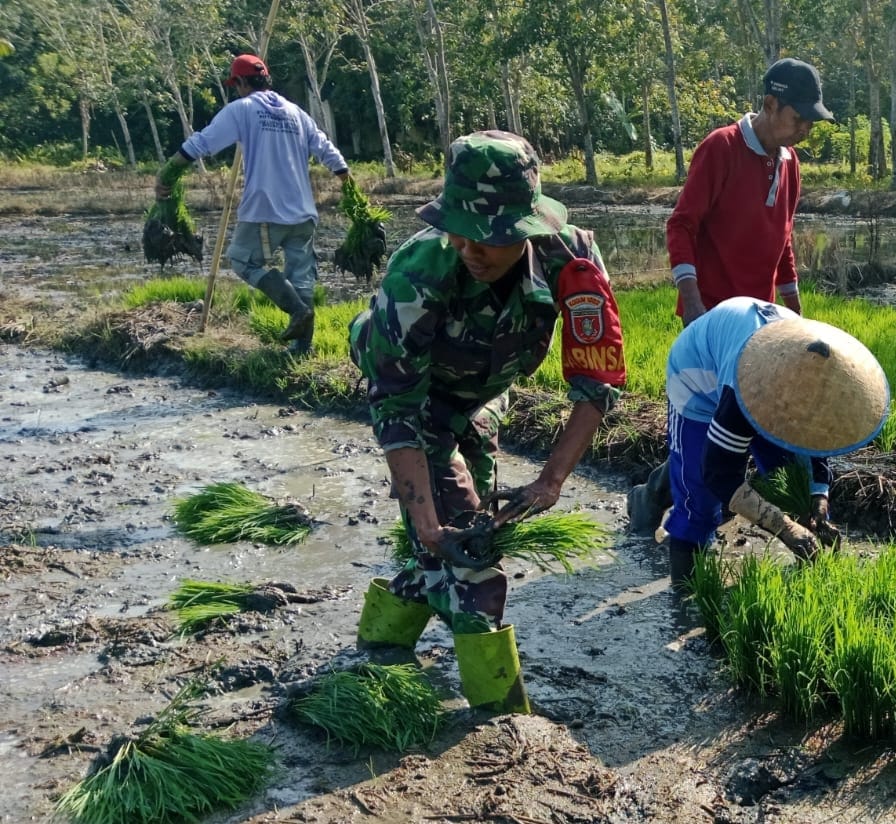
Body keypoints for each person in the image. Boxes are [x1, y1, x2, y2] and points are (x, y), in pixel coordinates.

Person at [348, 131, 627, 715]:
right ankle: (500, 719)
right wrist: (424, 520)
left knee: (450, 544)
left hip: (482, 396)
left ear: (528, 230)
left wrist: (550, 482)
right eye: (463, 230)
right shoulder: (417, 276)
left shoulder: (571, 262)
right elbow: (396, 409)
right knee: (473, 559)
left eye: (493, 237)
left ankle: (378, 647)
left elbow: (595, 384)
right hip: (416, 393)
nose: (474, 248)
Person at [627, 57, 836, 535]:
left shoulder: (789, 163)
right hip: (713, 319)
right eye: (798, 117)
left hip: (761, 323)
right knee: (715, 425)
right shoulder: (720, 149)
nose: (805, 129)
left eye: (810, 120)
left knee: (751, 424)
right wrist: (692, 299)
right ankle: (673, 502)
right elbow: (681, 224)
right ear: (769, 104)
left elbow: (783, 237)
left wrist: (794, 308)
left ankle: (659, 493)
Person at [662, 296, 888, 591]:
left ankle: (811, 578)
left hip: (752, 349)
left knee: (789, 476)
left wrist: (818, 497)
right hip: (696, 381)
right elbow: (719, 474)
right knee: (699, 497)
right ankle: (685, 595)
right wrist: (783, 527)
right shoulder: (741, 393)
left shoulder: (815, 377)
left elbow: (816, 441)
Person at [154, 53, 350, 355]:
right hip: (303, 211)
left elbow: (200, 143)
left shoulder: (243, 109)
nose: (237, 90)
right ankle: (302, 348)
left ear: (242, 82)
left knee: (243, 261)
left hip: (265, 209)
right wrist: (349, 186)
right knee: (301, 276)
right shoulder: (295, 112)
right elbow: (327, 150)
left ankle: (297, 310)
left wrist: (168, 172)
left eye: (236, 85)